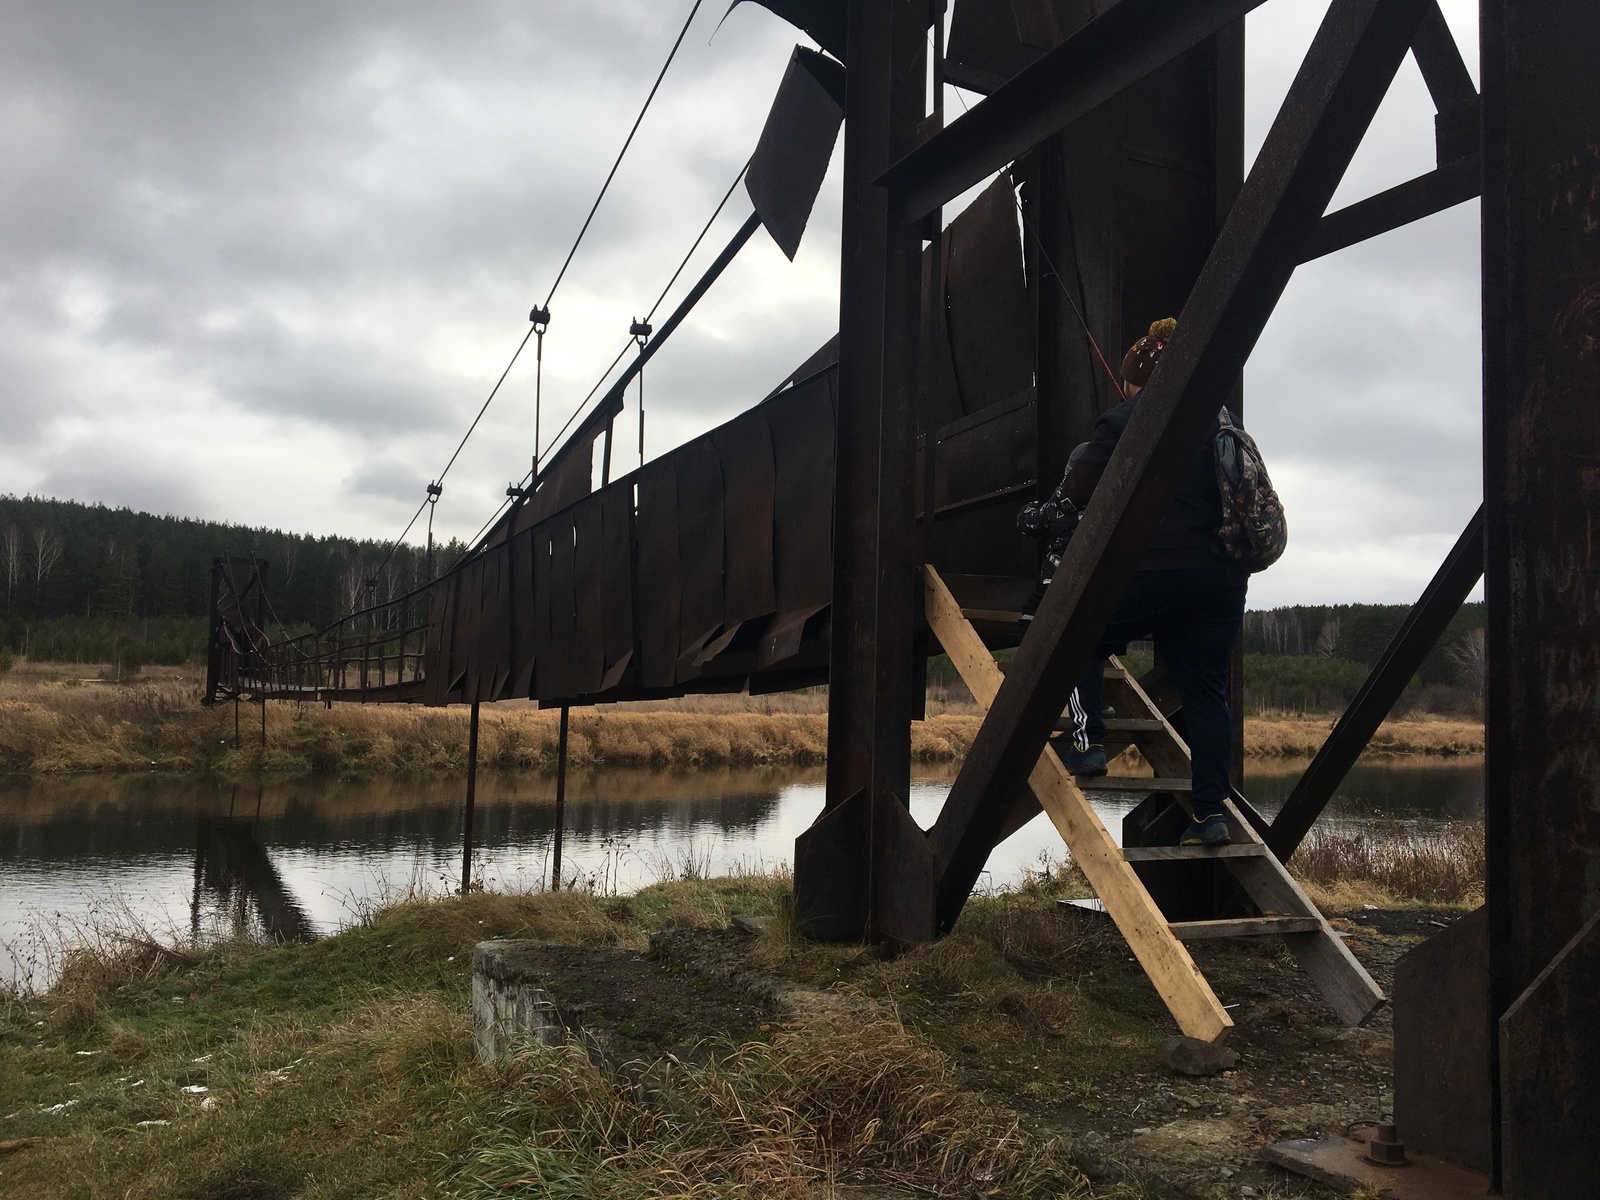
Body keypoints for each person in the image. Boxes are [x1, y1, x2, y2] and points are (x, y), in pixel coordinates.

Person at [1054, 317, 1247, 847]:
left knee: (1078, 638)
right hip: (1220, 581)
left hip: (1154, 570)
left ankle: (1088, 741)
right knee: (1207, 694)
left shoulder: (1119, 422)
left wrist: (1043, 514)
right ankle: (1210, 815)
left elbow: (1077, 493)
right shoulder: (1220, 424)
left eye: (1129, 380)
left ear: (1138, 378)